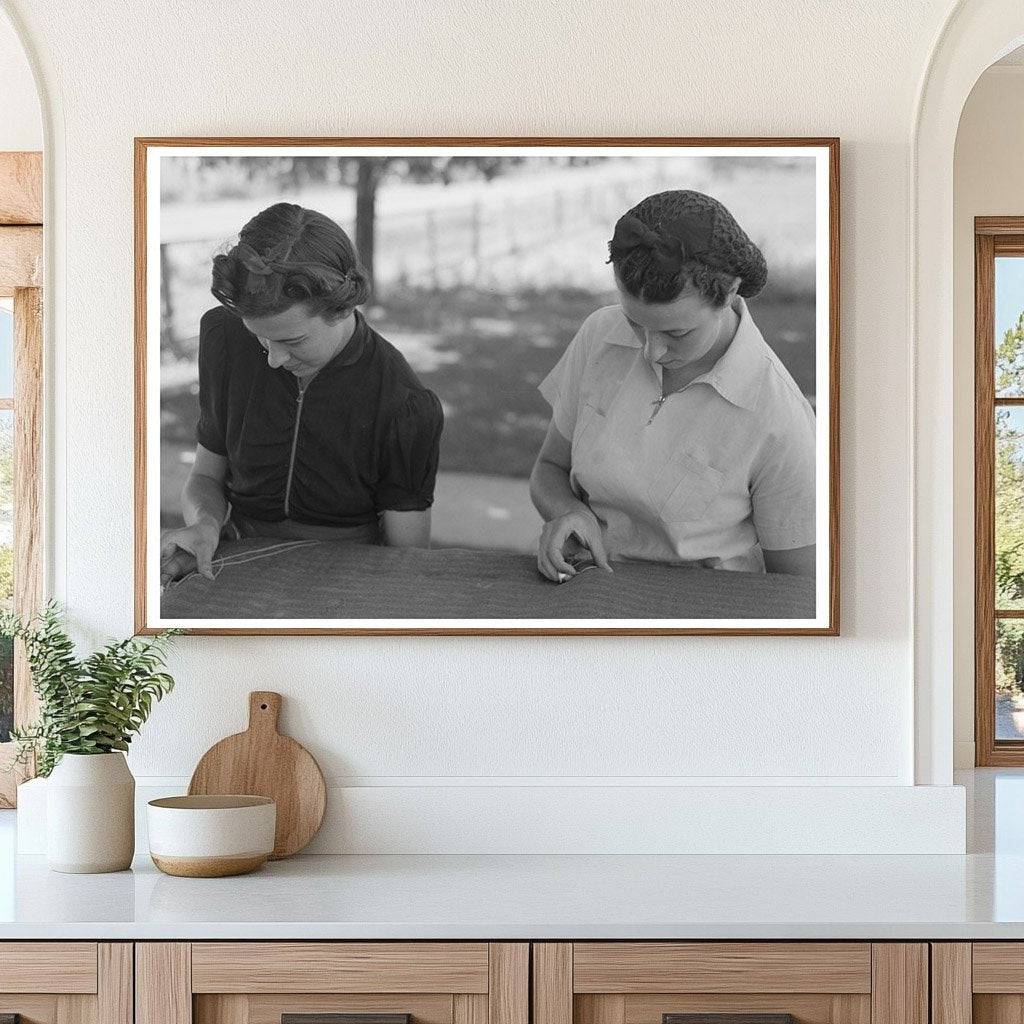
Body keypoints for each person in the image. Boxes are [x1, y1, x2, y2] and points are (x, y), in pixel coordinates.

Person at [530, 189, 816, 584]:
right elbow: (549, 469)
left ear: (729, 294)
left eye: (676, 332)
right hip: (584, 593)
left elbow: (799, 591)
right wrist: (569, 512)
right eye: (635, 323)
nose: (651, 350)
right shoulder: (598, 333)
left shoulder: (780, 419)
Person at [160, 202, 444, 582]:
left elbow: (405, 561)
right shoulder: (224, 340)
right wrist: (205, 526)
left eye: (293, 340)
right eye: (259, 337)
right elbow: (206, 477)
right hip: (235, 561)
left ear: (341, 309)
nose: (274, 358)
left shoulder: (402, 404)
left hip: (346, 579)